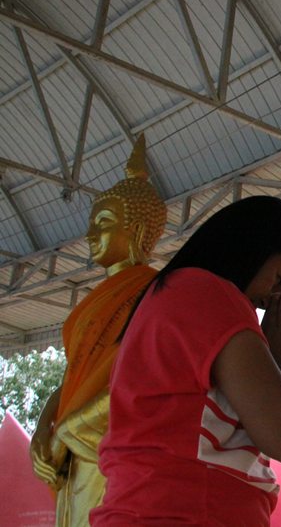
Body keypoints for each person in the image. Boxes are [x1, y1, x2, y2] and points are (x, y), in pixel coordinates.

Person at [90, 195, 281, 526]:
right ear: (249, 249)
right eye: (279, 281)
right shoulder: (207, 292)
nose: (274, 300)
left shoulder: (173, 294)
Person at [30, 135, 167, 526]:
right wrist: (45, 427)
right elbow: (75, 376)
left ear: (139, 229)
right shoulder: (90, 306)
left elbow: (138, 377)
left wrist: (70, 429)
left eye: (104, 223)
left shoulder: (155, 292)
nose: (91, 233)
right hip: (69, 457)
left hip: (106, 446)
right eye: (91, 222)